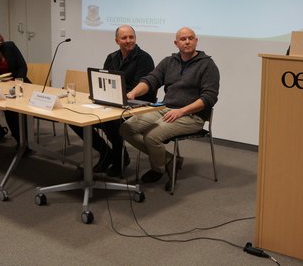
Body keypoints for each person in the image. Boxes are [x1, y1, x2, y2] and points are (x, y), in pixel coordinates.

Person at [120, 27, 220, 187]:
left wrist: (182, 111)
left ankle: (158, 169)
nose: (187, 41)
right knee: (126, 128)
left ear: (196, 41)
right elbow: (151, 80)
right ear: (176, 43)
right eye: (183, 39)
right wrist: (132, 93)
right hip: (165, 109)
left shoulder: (207, 65)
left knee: (152, 136)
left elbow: (209, 98)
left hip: (192, 115)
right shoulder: (169, 62)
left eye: (190, 38)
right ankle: (169, 160)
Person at [70, 25, 156, 177]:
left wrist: (116, 95)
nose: (128, 41)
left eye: (131, 37)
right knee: (77, 119)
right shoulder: (112, 57)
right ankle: (106, 152)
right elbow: (105, 81)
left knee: (111, 122)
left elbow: (138, 88)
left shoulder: (145, 58)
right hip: (113, 103)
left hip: (137, 106)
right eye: (124, 38)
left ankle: (118, 158)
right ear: (117, 41)